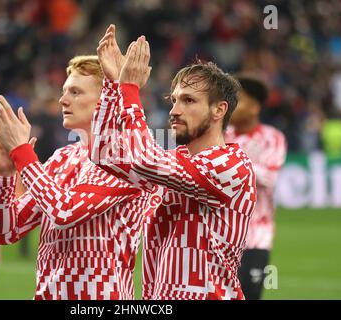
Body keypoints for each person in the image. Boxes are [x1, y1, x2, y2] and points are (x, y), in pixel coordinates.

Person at [91, 25, 257, 300]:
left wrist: (129, 89)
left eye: (189, 100)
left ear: (219, 109)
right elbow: (104, 153)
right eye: (174, 100)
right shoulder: (171, 162)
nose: (175, 110)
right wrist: (112, 85)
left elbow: (143, 160)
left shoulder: (233, 164)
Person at [0, 55, 162, 300]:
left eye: (75, 92)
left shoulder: (125, 160)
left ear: (103, 101)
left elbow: (64, 211)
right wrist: (6, 175)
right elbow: (5, 231)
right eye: (64, 90)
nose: (62, 99)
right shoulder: (62, 158)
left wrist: (22, 152)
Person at [225, 75, 287, 300]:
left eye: (238, 101)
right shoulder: (220, 136)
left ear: (255, 107)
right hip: (221, 233)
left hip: (257, 234)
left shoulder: (272, 138)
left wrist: (229, 160)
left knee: (250, 294)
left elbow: (268, 177)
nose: (230, 107)